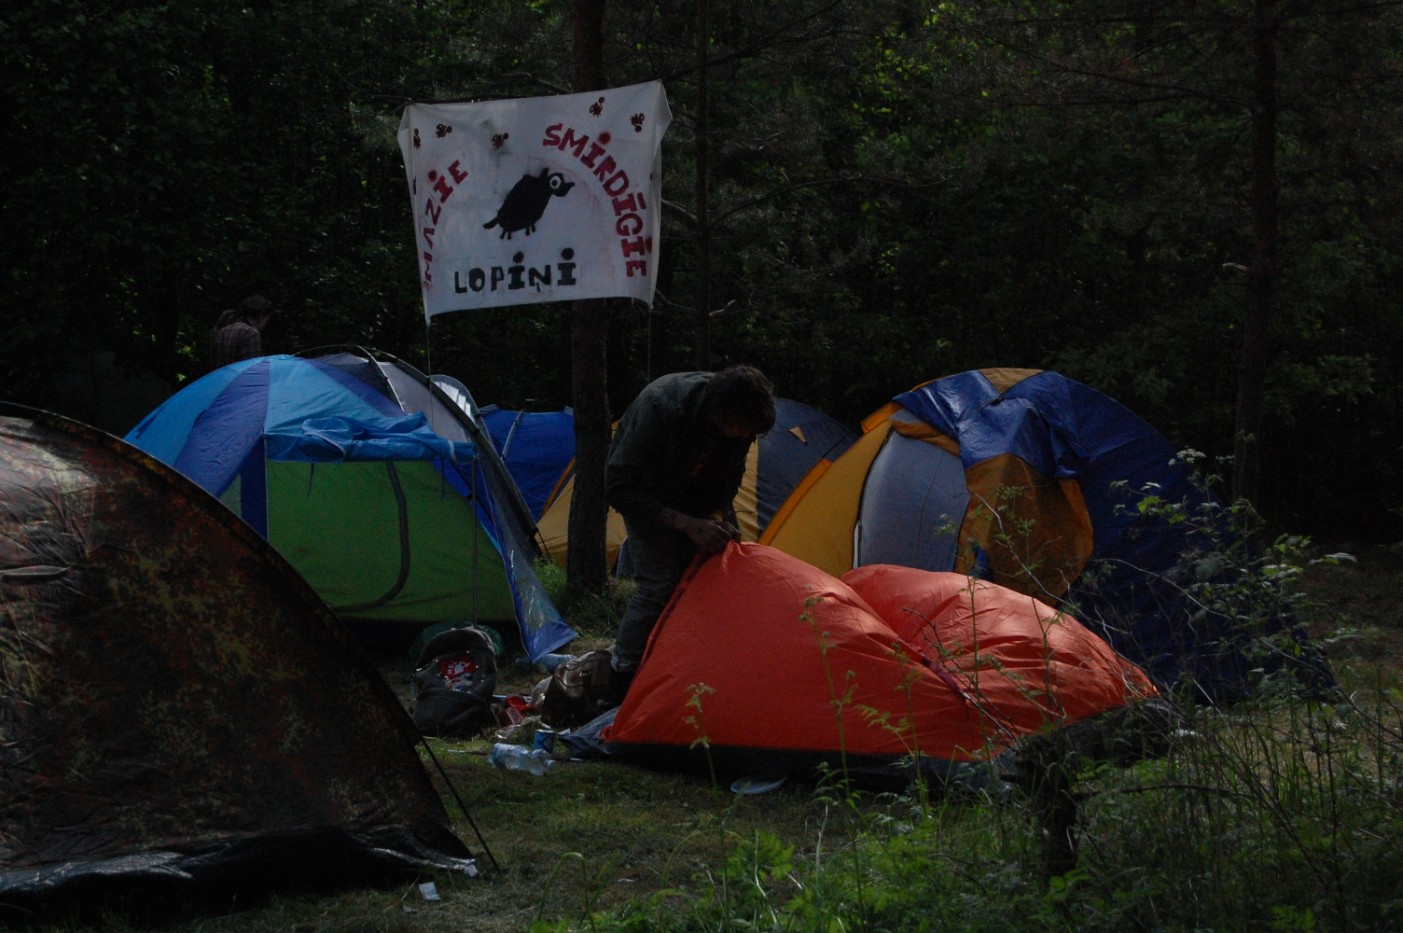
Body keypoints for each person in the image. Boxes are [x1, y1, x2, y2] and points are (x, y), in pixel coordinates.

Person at [604, 365, 777, 701]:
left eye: (751, 432)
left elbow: (730, 477)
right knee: (659, 585)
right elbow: (620, 489)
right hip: (646, 497)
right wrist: (686, 524)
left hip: (696, 498)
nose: (746, 436)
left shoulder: (742, 423)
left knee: (712, 575)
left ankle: (686, 667)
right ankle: (620, 679)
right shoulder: (662, 407)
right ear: (722, 413)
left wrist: (716, 518)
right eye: (743, 428)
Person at [209, 294, 277, 370]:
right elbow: (252, 367)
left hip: (223, 376)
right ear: (261, 316)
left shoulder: (222, 330)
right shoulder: (251, 333)